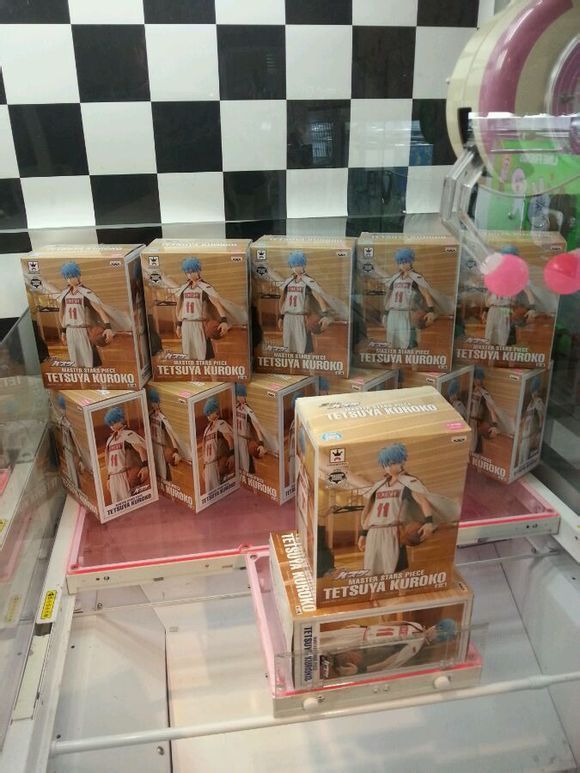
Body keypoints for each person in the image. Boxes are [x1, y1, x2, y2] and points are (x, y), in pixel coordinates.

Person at [357, 443, 457, 576]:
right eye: (386, 465)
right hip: (374, 532)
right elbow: (372, 511)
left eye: (393, 463)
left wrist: (428, 522)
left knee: (396, 572)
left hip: (393, 531)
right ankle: (376, 590)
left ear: (402, 461)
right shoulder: (379, 486)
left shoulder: (408, 482)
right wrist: (363, 534)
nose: (389, 467)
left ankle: (399, 590)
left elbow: (422, 501)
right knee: (371, 571)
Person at [371, 248, 453, 350]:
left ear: (411, 261)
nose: (402, 265)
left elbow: (426, 294)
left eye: (405, 262)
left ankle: (411, 359)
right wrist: (386, 312)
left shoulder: (416, 277)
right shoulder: (395, 277)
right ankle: (396, 360)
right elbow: (390, 295)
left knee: (406, 342)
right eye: (400, 262)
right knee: (392, 341)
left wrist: (431, 311)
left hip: (406, 312)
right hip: (393, 312)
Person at [322, 618, 457, 678]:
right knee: (322, 639)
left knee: (324, 656)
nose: (435, 631)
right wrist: (363, 627)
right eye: (437, 627)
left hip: (361, 647)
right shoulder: (415, 625)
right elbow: (390, 624)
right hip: (361, 634)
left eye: (439, 633)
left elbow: (388, 662)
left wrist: (360, 670)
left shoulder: (415, 646)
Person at [57, 262, 114, 367]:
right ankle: (82, 378)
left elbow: (100, 310)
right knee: (75, 361)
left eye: (71, 276)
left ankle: (99, 378)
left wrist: (108, 327)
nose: (69, 280)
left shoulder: (86, 292)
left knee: (91, 361)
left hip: (83, 330)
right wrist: (63, 330)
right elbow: (62, 314)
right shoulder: (65, 293)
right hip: (70, 330)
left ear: (78, 275)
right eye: (67, 277)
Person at [174, 257, 231, 361]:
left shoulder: (205, 287)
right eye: (187, 272)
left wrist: (224, 321)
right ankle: (193, 373)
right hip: (186, 324)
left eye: (192, 271)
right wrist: (178, 325)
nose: (189, 274)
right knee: (188, 355)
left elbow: (217, 304)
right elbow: (180, 308)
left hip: (199, 324)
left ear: (198, 271)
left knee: (204, 355)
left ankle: (210, 372)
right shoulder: (184, 288)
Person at [278, 251, 333, 354]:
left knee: (303, 349)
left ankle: (306, 364)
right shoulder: (288, 281)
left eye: (297, 265)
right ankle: (292, 364)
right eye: (293, 265)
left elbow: (319, 298)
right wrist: (281, 317)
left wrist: (325, 315)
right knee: (288, 347)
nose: (295, 268)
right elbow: (282, 299)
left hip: (301, 317)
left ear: (303, 265)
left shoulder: (308, 281)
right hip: (288, 317)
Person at [483, 246, 537, 347]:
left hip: (506, 309)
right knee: (490, 338)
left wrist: (532, 308)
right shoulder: (495, 275)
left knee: (503, 338)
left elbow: (528, 292)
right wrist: (486, 309)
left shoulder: (517, 278)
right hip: (493, 309)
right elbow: (489, 292)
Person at [104, 407, 149, 504]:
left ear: (120, 420)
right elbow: (108, 460)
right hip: (113, 476)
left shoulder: (128, 434)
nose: (112, 426)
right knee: (116, 505)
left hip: (124, 474)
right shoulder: (110, 440)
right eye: (110, 424)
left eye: (114, 422)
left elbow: (140, 449)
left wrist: (145, 466)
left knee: (129, 503)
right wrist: (108, 477)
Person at [148, 388, 190, 482]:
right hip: (153, 444)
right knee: (155, 468)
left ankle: (166, 483)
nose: (153, 404)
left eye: (155, 402)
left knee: (163, 468)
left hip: (161, 446)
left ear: (158, 402)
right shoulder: (150, 415)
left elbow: (170, 434)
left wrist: (175, 449)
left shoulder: (162, 418)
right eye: (152, 402)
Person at [234, 384, 277, 474]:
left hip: (245, 440)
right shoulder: (235, 408)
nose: (239, 398)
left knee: (247, 464)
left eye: (241, 395)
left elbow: (257, 427)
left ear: (245, 396)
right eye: (238, 395)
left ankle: (250, 477)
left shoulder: (248, 410)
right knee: (239, 464)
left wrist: (261, 443)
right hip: (237, 438)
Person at [202, 396, 234, 494]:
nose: (208, 416)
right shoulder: (207, 429)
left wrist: (232, 455)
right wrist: (204, 467)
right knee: (209, 493)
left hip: (216, 463)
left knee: (219, 491)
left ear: (215, 411)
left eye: (209, 413)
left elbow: (230, 439)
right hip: (208, 464)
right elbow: (204, 448)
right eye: (207, 414)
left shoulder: (221, 423)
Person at [54, 394, 88, 487]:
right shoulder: (61, 421)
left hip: (71, 450)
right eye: (60, 408)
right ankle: (74, 485)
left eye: (63, 409)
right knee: (69, 468)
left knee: (73, 468)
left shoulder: (68, 424)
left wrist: (80, 457)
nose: (61, 411)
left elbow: (75, 441)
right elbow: (57, 421)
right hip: (66, 449)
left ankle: (76, 485)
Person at [517, 376, 545, 466]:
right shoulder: (530, 404)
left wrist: (538, 433)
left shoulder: (538, 402)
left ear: (538, 391)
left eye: (535, 391)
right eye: (533, 391)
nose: (533, 393)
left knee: (525, 458)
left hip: (531, 434)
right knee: (520, 458)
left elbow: (542, 416)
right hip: (524, 435)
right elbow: (525, 418)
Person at [286, 391, 304, 486]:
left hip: (299, 457)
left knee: (299, 482)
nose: (295, 410)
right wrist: (288, 459)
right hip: (292, 455)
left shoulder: (303, 423)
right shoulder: (293, 422)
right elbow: (290, 440)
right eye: (294, 407)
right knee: (291, 481)